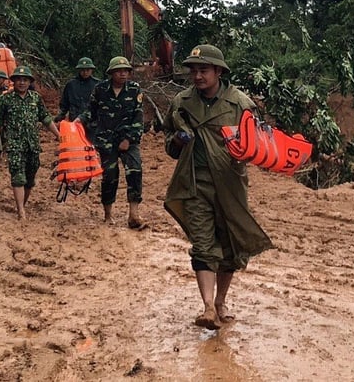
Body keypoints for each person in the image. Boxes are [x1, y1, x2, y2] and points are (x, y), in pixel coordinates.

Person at [162, 44, 273, 330]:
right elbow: (170, 148)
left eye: (204, 70)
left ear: (219, 71)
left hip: (230, 185)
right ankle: (208, 307)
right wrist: (178, 141)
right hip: (195, 184)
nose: (197, 76)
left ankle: (221, 301)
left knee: (230, 245)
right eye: (193, 71)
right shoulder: (182, 103)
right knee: (202, 245)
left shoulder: (241, 105)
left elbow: (261, 146)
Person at [78, 56, 145, 229]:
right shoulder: (100, 89)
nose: (123, 74)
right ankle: (108, 215)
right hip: (106, 141)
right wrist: (79, 121)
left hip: (128, 140)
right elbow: (91, 111)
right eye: (119, 71)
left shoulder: (134, 90)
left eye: (126, 71)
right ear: (112, 73)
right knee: (110, 176)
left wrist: (128, 139)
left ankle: (134, 214)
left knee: (135, 171)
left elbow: (138, 118)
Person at [0, 66, 60, 220]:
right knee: (17, 176)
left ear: (29, 82)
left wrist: (58, 135)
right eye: (19, 80)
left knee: (30, 178)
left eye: (25, 80)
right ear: (13, 81)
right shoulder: (5, 99)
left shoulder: (35, 98)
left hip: (33, 145)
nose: (22, 82)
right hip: (15, 145)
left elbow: (46, 118)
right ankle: (21, 210)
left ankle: (23, 204)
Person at [55, 57, 100, 123]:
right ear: (79, 70)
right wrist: (60, 116)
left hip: (92, 122)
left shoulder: (97, 84)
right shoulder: (71, 84)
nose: (85, 72)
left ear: (91, 70)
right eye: (82, 70)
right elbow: (64, 104)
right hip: (74, 121)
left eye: (87, 70)